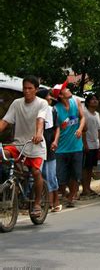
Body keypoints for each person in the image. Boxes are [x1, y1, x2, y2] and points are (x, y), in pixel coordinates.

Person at [0, 76, 48, 217]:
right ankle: (11, 184)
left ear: (36, 89)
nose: (26, 91)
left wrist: (38, 134)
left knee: (36, 173)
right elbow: (5, 121)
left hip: (35, 145)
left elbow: (40, 120)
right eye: (24, 88)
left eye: (30, 88)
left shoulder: (42, 103)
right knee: (2, 154)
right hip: (19, 144)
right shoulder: (17, 103)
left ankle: (38, 203)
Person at [53, 83, 85, 208]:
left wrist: (80, 129)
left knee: (75, 175)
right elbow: (57, 128)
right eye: (65, 89)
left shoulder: (76, 101)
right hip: (61, 148)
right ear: (60, 95)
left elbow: (82, 118)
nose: (68, 89)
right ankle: (64, 193)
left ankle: (71, 197)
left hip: (76, 146)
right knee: (60, 177)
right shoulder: (55, 109)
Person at [37, 88, 61, 212]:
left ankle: (54, 201)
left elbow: (57, 128)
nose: (50, 98)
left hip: (49, 145)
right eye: (48, 96)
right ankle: (45, 202)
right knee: (40, 175)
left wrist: (55, 141)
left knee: (51, 174)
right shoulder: (36, 110)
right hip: (38, 146)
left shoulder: (53, 111)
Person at [82, 93, 100, 197]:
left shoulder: (97, 114)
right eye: (92, 99)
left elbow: (99, 130)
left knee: (91, 167)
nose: (95, 101)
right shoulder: (84, 113)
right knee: (85, 168)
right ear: (88, 102)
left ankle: (88, 187)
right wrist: (85, 144)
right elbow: (83, 130)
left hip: (95, 144)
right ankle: (84, 189)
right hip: (87, 144)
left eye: (96, 99)